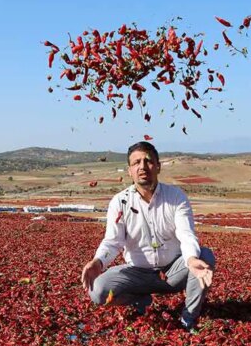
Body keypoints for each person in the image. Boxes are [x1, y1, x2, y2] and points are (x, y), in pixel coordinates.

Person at [80, 141, 216, 331]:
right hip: (137, 273)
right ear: (130, 171)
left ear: (158, 166)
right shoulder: (120, 202)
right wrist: (98, 262)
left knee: (205, 256)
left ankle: (188, 317)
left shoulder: (175, 197)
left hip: (172, 272)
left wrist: (192, 259)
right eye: (136, 163)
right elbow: (113, 241)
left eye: (148, 161)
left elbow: (186, 233)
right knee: (98, 291)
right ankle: (140, 299)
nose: (142, 167)